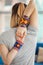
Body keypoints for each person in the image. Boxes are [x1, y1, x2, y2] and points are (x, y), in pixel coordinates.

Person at [0, 0, 38, 65]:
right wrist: (23, 24)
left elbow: (7, 62)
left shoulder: (3, 36)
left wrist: (18, 44)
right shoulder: (32, 31)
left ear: (13, 16)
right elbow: (33, 3)